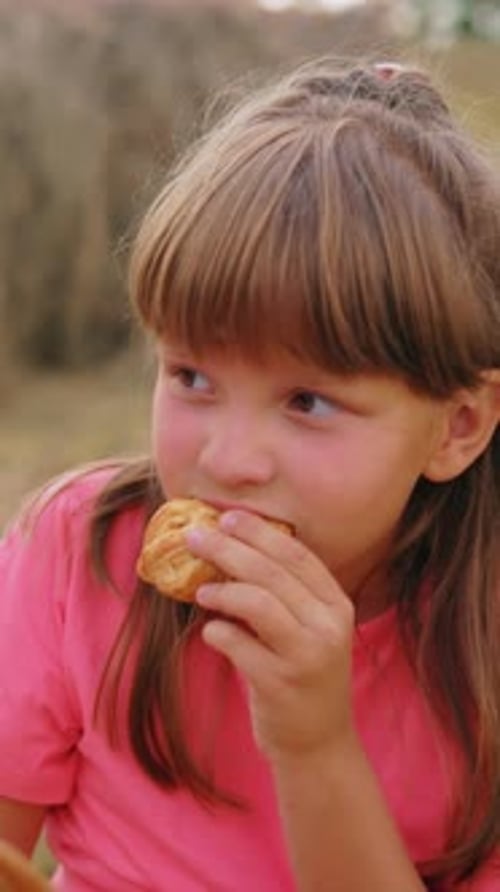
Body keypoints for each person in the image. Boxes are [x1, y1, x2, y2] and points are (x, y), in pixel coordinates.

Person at [0, 56, 499, 892]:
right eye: (192, 377)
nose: (227, 460)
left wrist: (313, 743)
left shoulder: (479, 645)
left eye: (308, 400)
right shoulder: (81, 556)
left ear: (457, 428)